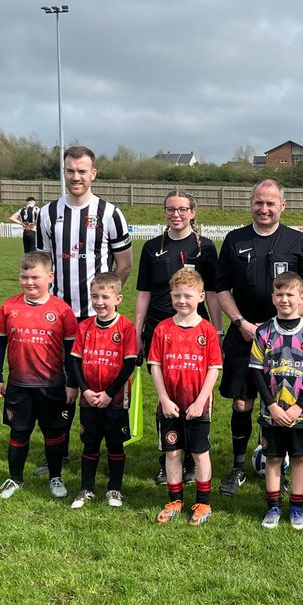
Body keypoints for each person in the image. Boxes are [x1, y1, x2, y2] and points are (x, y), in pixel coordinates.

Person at [215, 179, 303, 495]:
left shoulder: (297, 241)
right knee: (242, 403)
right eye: (259, 202)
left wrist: (282, 323)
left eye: (271, 203)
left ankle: (280, 464)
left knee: (283, 405)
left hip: (285, 340)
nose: (264, 208)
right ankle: (237, 467)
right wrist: (240, 322)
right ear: (251, 204)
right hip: (244, 335)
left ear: (282, 206)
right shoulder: (234, 240)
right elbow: (221, 289)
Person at [134, 188, 221, 485]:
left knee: (193, 393)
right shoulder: (151, 247)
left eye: (182, 209)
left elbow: (211, 292)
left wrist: (218, 329)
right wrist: (137, 331)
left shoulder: (206, 248)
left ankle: (193, 457)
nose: (176, 214)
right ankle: (167, 457)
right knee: (167, 398)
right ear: (165, 213)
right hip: (160, 333)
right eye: (171, 209)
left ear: (193, 213)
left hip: (196, 333)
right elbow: (143, 292)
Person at [0, 251, 79, 500]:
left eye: (35, 277)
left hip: (53, 386)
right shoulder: (9, 307)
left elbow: (73, 352)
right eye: (24, 277)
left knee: (53, 433)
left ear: (50, 277)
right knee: (18, 432)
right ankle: (15, 478)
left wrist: (72, 383)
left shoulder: (62, 311)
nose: (29, 282)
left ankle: (55, 477)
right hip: (19, 384)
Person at [249, 272, 303, 530]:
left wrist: (297, 407)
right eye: (279, 294)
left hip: (299, 415)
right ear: (272, 297)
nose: (285, 299)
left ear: (302, 297)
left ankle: (296, 507)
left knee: (298, 458)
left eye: (290, 294)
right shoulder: (264, 332)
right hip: (271, 412)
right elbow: (257, 373)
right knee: (272, 458)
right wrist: (271, 405)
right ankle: (273, 507)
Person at [148, 268, 223, 526]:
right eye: (177, 296)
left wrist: (201, 401)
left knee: (200, 453)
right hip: (170, 405)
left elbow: (214, 368)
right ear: (170, 296)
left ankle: (203, 502)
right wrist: (164, 399)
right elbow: (155, 365)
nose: (182, 301)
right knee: (173, 453)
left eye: (188, 296)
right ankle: (175, 499)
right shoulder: (162, 329)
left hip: (197, 405)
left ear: (201, 296)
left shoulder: (208, 331)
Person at [37, 146, 133, 320]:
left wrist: (106, 296)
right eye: (70, 171)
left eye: (82, 171)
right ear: (63, 172)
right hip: (56, 314)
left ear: (93, 174)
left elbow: (125, 265)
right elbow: (42, 265)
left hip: (97, 315)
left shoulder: (110, 213)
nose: (76, 177)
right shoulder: (46, 213)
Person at [68, 272, 138, 509]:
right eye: (94, 296)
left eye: (105, 297)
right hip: (89, 398)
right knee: (90, 443)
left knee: (115, 445)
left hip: (116, 399)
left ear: (118, 298)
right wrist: (85, 391)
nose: (99, 302)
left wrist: (109, 393)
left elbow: (129, 364)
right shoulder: (85, 326)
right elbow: (75, 361)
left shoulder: (126, 328)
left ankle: (114, 489)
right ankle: (86, 488)